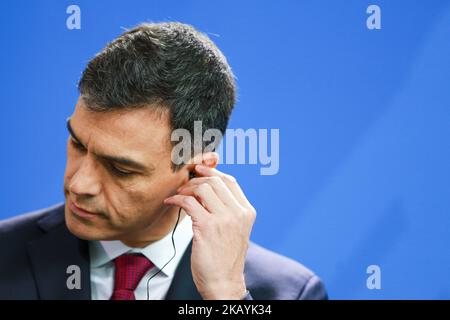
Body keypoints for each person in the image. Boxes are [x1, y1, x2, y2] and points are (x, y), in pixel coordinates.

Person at [0, 22, 327, 300]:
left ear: (196, 170)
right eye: (77, 144)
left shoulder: (287, 292)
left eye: (121, 169)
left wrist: (225, 294)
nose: (78, 184)